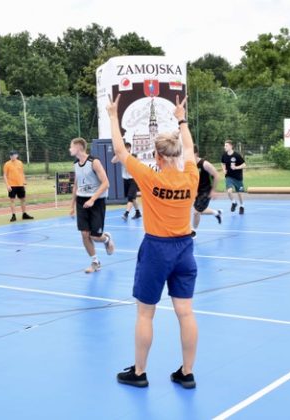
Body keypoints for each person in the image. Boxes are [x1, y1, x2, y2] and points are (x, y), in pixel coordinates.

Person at [108, 94, 199, 389]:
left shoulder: (150, 177)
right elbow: (190, 148)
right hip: (185, 249)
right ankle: (186, 373)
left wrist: (112, 115)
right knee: (185, 312)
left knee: (145, 313)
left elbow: (121, 152)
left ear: (158, 157)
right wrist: (181, 117)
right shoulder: (191, 176)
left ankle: (140, 372)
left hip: (157, 249)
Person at [69, 137, 115, 273]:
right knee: (84, 234)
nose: (69, 149)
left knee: (95, 236)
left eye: (71, 146)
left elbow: (106, 183)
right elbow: (76, 186)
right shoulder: (76, 164)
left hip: (97, 201)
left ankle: (106, 239)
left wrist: (93, 199)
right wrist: (72, 205)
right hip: (82, 201)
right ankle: (95, 261)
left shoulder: (94, 162)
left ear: (78, 147)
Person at [191, 145, 222, 238]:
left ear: (195, 153)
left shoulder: (204, 164)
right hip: (196, 191)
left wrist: (213, 190)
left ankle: (193, 231)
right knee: (200, 210)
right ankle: (216, 213)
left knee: (196, 212)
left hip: (206, 191)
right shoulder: (189, 164)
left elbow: (216, 175)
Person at [111, 142, 142, 221]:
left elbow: (138, 163)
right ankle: (138, 212)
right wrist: (118, 153)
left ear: (129, 148)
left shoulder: (133, 156)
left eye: (126, 148)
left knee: (130, 198)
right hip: (126, 180)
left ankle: (126, 214)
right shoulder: (121, 157)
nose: (125, 149)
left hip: (133, 179)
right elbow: (113, 161)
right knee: (133, 198)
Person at [3, 150, 33, 222]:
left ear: (17, 155)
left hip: (20, 184)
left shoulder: (20, 163)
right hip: (12, 185)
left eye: (13, 155)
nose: (12, 156)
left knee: (23, 199)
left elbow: (22, 173)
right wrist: (7, 185)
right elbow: (4, 175)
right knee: (12, 200)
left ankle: (24, 214)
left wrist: (24, 183)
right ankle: (13, 215)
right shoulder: (7, 164)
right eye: (11, 155)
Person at [221, 139, 246, 214]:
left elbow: (244, 165)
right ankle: (234, 202)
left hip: (238, 177)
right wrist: (224, 169)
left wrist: (236, 167)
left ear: (231, 146)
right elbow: (222, 163)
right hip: (229, 177)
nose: (225, 147)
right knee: (229, 191)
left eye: (226, 145)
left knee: (239, 194)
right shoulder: (224, 155)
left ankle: (242, 206)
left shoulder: (237, 155)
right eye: (224, 145)